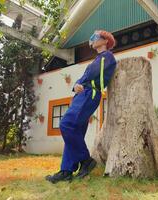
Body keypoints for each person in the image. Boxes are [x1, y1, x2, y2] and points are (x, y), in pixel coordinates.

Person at [46, 30, 117, 184]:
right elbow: (87, 75)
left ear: (105, 41)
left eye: (95, 37)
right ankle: (66, 170)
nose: (91, 39)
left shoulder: (107, 57)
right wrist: (76, 85)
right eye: (91, 37)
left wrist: (79, 83)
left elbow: (92, 73)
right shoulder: (98, 59)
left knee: (66, 124)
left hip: (90, 94)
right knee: (74, 132)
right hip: (82, 94)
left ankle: (86, 160)